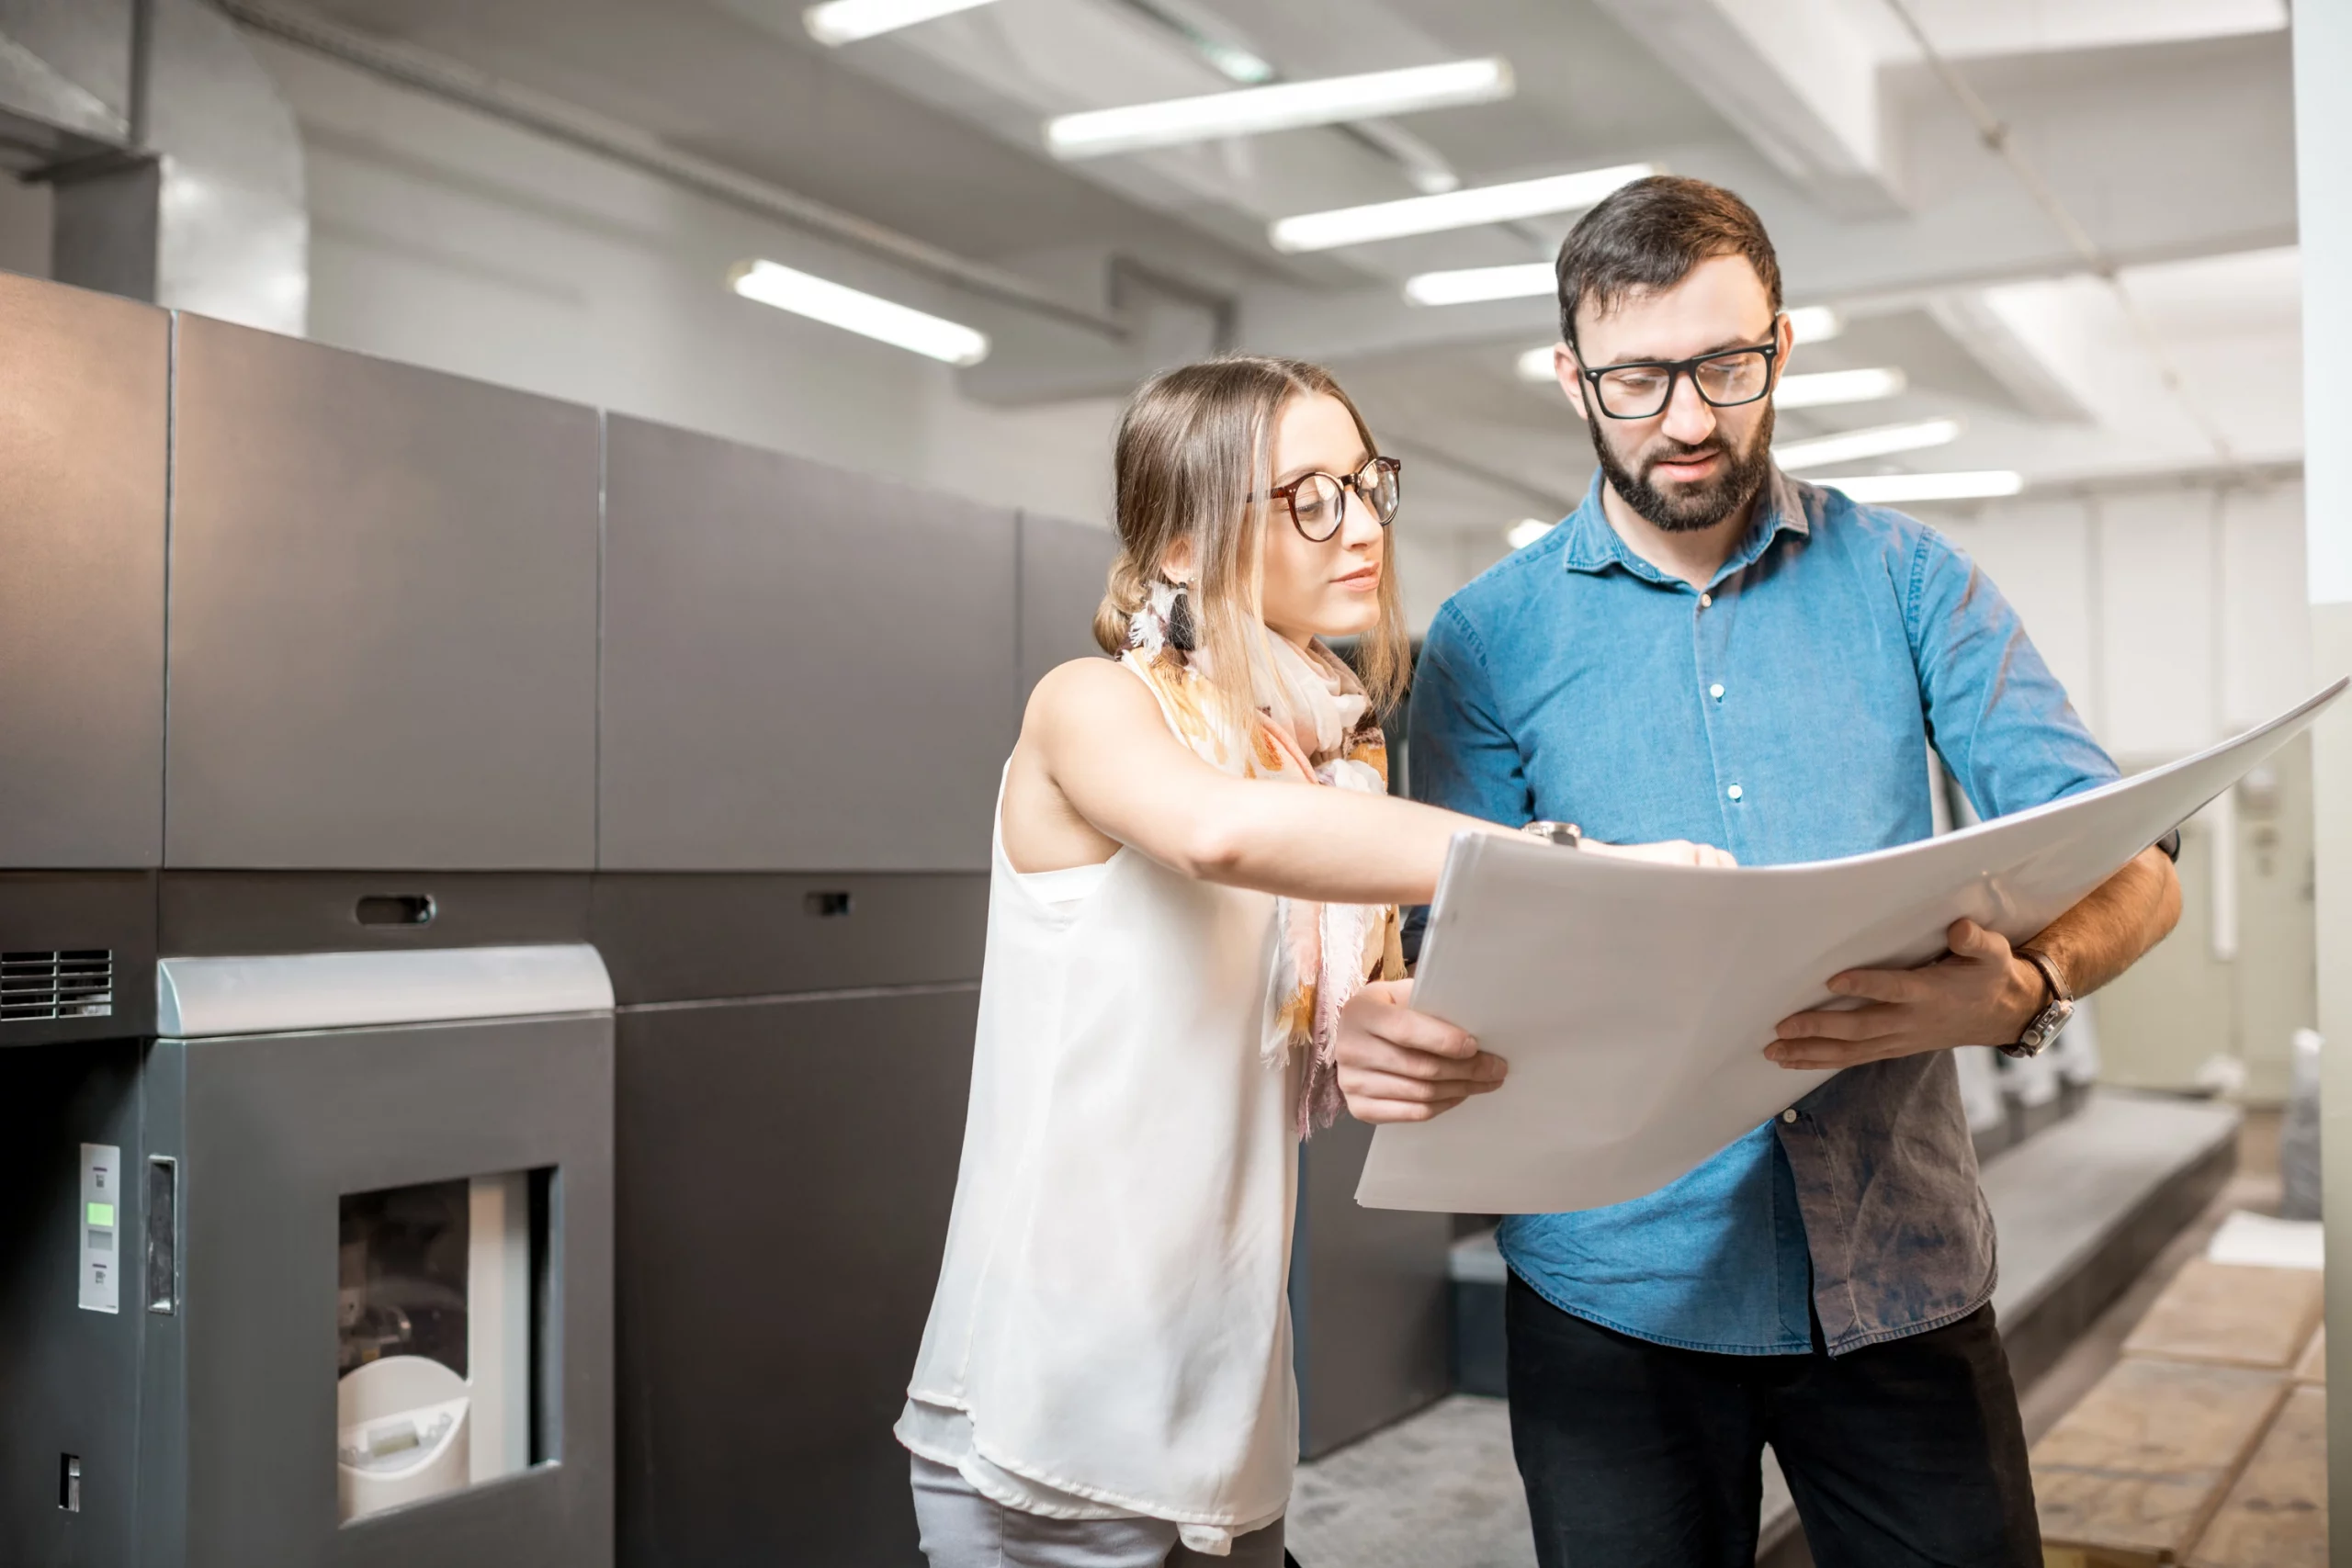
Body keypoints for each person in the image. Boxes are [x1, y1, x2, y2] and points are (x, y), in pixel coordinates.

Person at [1332, 176, 2183, 1567]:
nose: (1686, 419)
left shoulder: (1910, 580)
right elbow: (1454, 948)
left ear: (1781, 346)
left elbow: (2136, 856)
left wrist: (2028, 986)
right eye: (1637, 378)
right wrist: (1393, 1021)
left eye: (1726, 366)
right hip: (1613, 1293)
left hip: (1897, 1274)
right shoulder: (1485, 641)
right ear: (1572, 377)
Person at [894, 355, 1725, 1568]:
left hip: (1228, 1406)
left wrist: (1400, 1038)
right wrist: (1575, 860)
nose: (1362, 526)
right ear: (1183, 546)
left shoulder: (1332, 762)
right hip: (1056, 1401)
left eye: (1365, 484)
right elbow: (1218, 832)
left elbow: (1337, 1016)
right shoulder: (1092, 709)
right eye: (1308, 499)